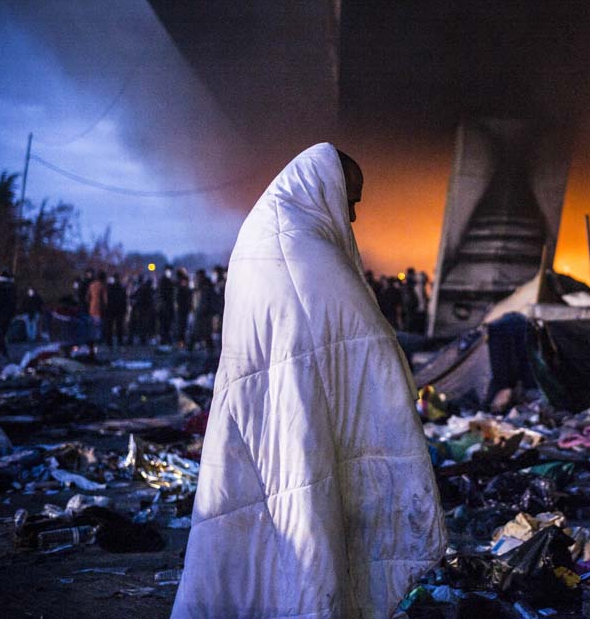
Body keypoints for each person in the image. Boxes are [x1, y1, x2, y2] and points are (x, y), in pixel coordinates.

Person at [172, 144, 444, 619]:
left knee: (260, 529)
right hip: (297, 413)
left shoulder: (257, 237)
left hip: (257, 418)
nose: (353, 216)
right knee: (304, 521)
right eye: (351, 199)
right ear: (324, 187)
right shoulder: (304, 248)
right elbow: (365, 341)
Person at [189, 269, 216, 353]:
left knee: (199, 332)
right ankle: (209, 349)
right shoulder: (204, 288)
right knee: (204, 333)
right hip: (202, 314)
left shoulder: (204, 289)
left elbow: (204, 302)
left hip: (202, 314)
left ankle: (190, 349)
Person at [104, 274, 127, 349]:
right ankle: (119, 342)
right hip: (119, 309)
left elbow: (106, 298)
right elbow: (124, 299)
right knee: (119, 327)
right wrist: (124, 309)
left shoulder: (109, 288)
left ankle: (109, 342)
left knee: (110, 327)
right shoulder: (121, 288)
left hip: (110, 309)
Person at [87, 271, 108, 355]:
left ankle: (92, 344)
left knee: (93, 326)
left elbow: (87, 297)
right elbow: (105, 299)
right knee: (99, 327)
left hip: (92, 309)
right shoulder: (103, 286)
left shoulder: (92, 285)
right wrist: (106, 308)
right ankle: (97, 343)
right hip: (100, 309)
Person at [156, 266, 176, 345]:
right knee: (164, 325)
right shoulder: (164, 281)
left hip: (167, 306)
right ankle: (165, 340)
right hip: (164, 307)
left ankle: (166, 340)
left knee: (166, 325)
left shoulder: (168, 281)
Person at [175, 269, 192, 348]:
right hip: (183, 309)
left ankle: (181, 343)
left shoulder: (179, 288)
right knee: (182, 327)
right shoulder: (183, 288)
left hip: (182, 310)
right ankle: (181, 343)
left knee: (181, 327)